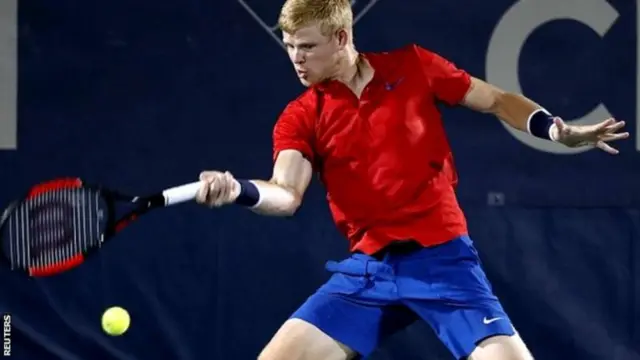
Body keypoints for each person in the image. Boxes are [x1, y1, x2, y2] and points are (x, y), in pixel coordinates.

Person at [195, 0, 629, 359]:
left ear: (342, 37)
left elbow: (496, 100)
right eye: (289, 46)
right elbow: (286, 194)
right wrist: (240, 190)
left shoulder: (414, 66)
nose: (296, 58)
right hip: (368, 271)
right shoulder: (301, 115)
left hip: (443, 261)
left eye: (306, 46)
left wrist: (554, 129)